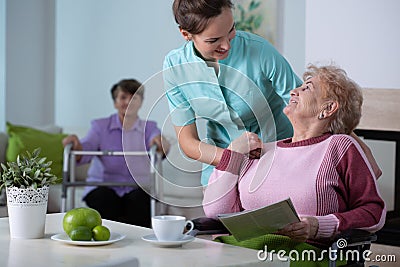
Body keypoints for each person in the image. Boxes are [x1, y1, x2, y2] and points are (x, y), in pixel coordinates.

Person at [202, 64, 386, 265]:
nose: (293, 92)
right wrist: (232, 154)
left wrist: (318, 226)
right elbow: (215, 212)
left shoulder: (339, 147)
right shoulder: (260, 150)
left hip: (304, 253)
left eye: (306, 88)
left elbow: (373, 211)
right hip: (242, 250)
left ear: (328, 108)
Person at [163, 0, 302, 186]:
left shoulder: (259, 51)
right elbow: (188, 142)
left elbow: (306, 107)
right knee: (217, 214)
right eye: (213, 40)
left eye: (231, 30)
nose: (226, 45)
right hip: (221, 163)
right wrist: (232, 157)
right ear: (186, 34)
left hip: (278, 157)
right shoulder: (175, 67)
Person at [62, 79, 169, 227]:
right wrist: (76, 145)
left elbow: (157, 142)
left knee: (140, 200)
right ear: (115, 102)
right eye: (124, 97)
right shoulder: (99, 126)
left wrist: (161, 143)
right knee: (104, 199)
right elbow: (86, 149)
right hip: (103, 187)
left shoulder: (150, 127)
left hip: (136, 188)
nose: (129, 102)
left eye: (134, 97)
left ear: (141, 102)